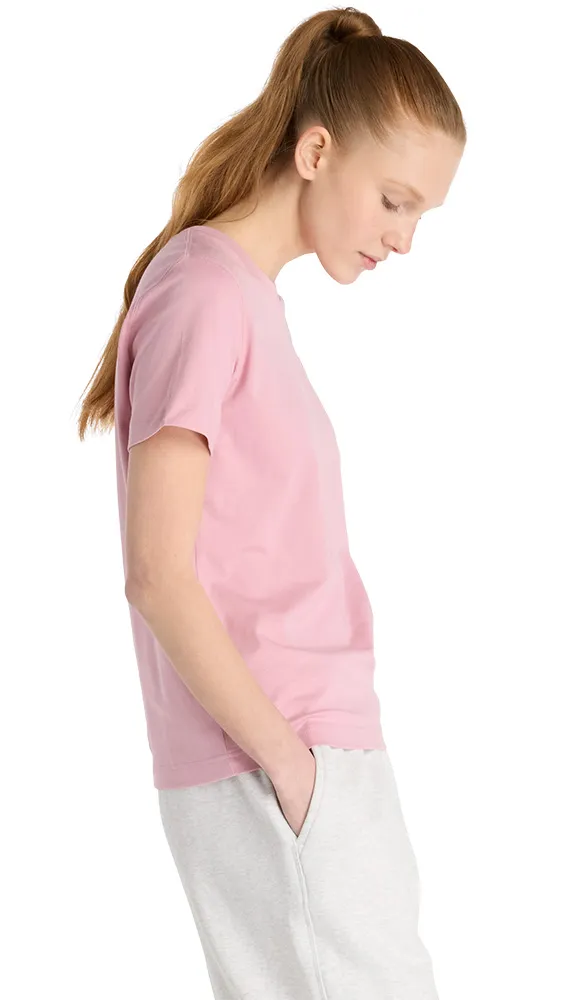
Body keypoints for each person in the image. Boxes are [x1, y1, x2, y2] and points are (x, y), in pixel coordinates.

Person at [78, 7, 465, 997]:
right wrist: (291, 766)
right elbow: (156, 571)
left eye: (421, 214)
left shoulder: (237, 297)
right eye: (394, 200)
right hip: (278, 760)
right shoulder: (205, 293)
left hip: (304, 758)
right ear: (317, 151)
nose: (404, 238)